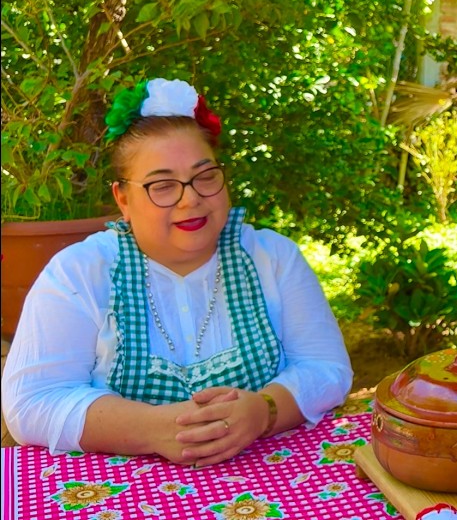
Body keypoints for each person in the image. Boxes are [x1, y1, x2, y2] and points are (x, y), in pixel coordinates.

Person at [2, 78, 353, 468]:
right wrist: (152, 428)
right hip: (120, 496)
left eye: (205, 177)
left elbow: (327, 368)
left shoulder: (273, 257)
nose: (191, 199)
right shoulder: (80, 274)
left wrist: (265, 411)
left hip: (267, 480)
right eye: (163, 185)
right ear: (123, 198)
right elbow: (31, 401)